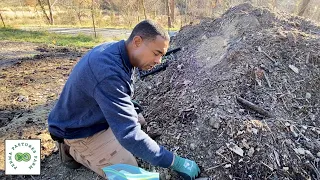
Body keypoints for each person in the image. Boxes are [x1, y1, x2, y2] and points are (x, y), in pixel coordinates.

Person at [48, 20, 200, 179]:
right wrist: (174, 161)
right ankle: (71, 149)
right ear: (137, 41)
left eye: (161, 55)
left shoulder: (121, 52)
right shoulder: (108, 72)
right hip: (79, 129)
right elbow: (129, 134)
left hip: (95, 114)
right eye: (156, 53)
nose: (158, 61)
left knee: (138, 120)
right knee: (129, 172)